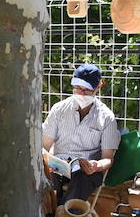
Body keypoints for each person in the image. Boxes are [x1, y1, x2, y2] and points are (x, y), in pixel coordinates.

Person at [42, 63, 120, 203]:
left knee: (81, 178)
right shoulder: (59, 109)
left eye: (86, 90)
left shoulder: (107, 117)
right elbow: (44, 146)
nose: (81, 94)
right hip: (59, 166)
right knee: (47, 179)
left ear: (98, 87)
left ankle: (65, 216)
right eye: (78, 88)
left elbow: (108, 158)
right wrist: (48, 162)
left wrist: (96, 166)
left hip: (87, 171)